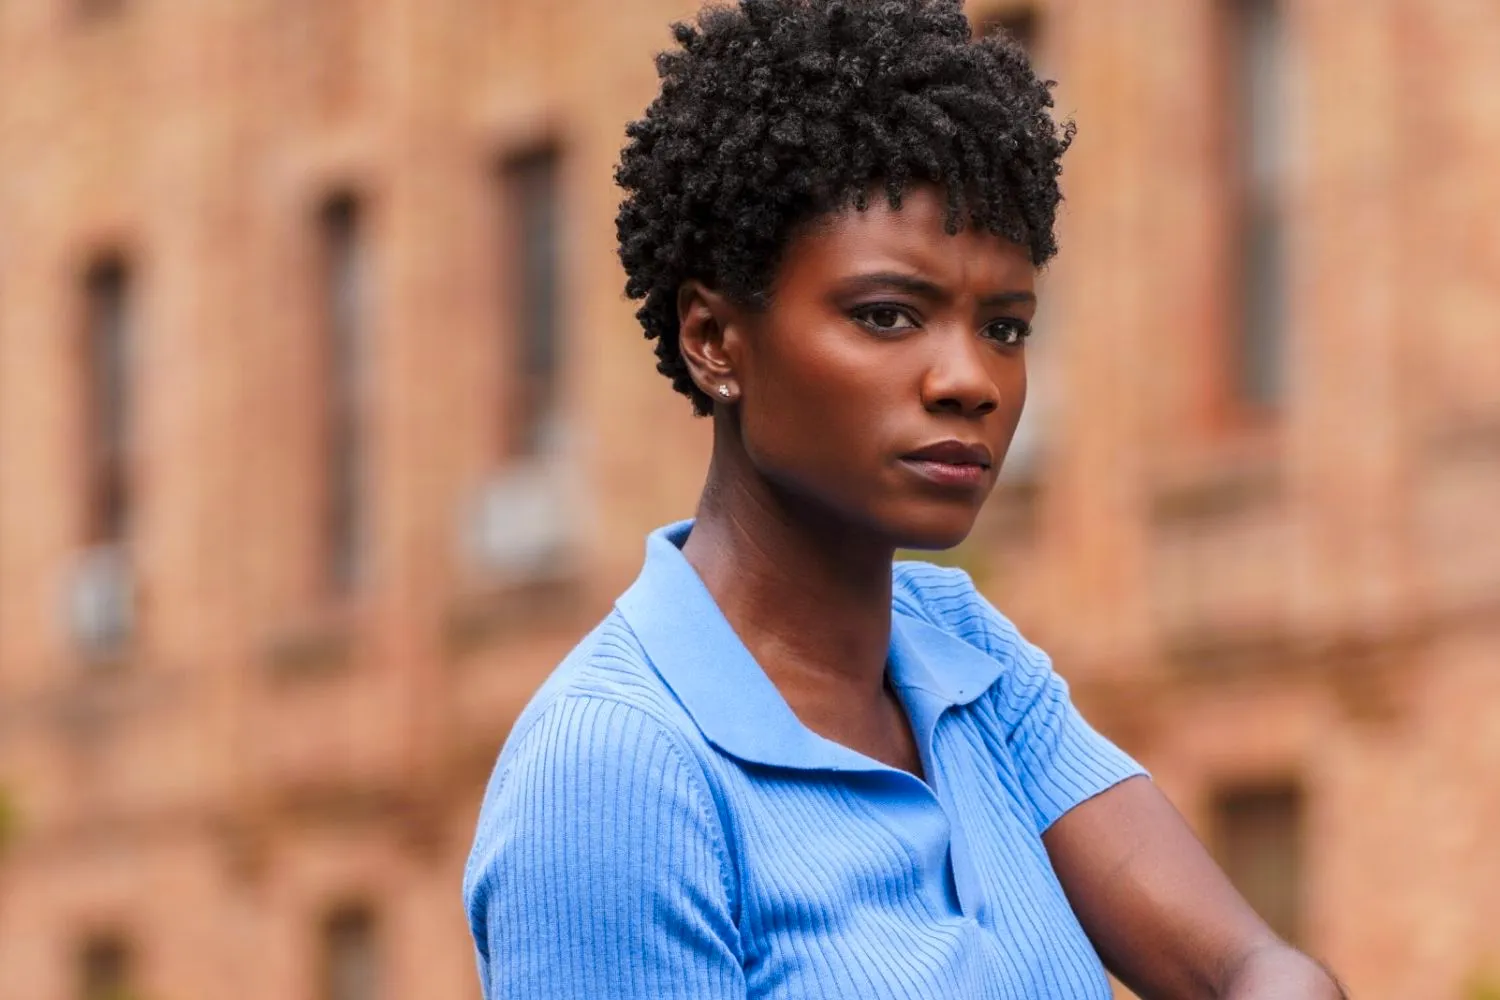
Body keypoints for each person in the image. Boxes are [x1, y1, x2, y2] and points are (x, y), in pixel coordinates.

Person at [462, 2, 1344, 997]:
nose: (968, 379)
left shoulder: (962, 659)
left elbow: (1244, 966)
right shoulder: (614, 775)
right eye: (888, 316)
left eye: (1004, 329)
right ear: (713, 338)